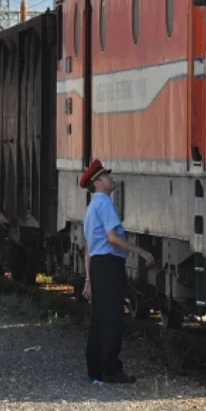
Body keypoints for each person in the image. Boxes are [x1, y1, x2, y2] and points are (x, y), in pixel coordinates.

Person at [80, 159, 155, 385]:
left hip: (97, 265)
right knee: (113, 318)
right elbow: (112, 238)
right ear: (98, 182)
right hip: (109, 265)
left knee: (100, 318)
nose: (112, 179)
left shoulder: (91, 207)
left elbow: (88, 248)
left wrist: (88, 278)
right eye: (107, 176)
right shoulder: (104, 204)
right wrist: (140, 251)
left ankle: (95, 370)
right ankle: (111, 369)